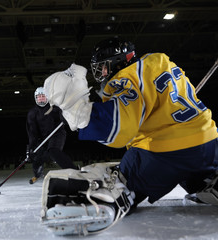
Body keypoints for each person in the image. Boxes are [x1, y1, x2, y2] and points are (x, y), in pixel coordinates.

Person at [40, 38, 218, 235]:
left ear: (119, 61)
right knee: (194, 172)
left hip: (166, 154)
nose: (102, 74)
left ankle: (105, 200)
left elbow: (119, 129)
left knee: (120, 178)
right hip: (209, 143)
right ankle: (207, 182)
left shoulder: (126, 77)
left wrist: (79, 113)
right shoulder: (159, 61)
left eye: (103, 67)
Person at [26, 87, 77, 184]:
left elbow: (67, 114)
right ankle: (37, 173)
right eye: (38, 97)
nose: (41, 99)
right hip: (43, 138)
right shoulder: (32, 113)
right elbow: (32, 132)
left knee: (53, 152)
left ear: (47, 97)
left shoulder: (55, 108)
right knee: (36, 155)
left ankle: (73, 170)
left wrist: (65, 118)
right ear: (35, 98)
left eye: (43, 96)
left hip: (57, 134)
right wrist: (31, 148)